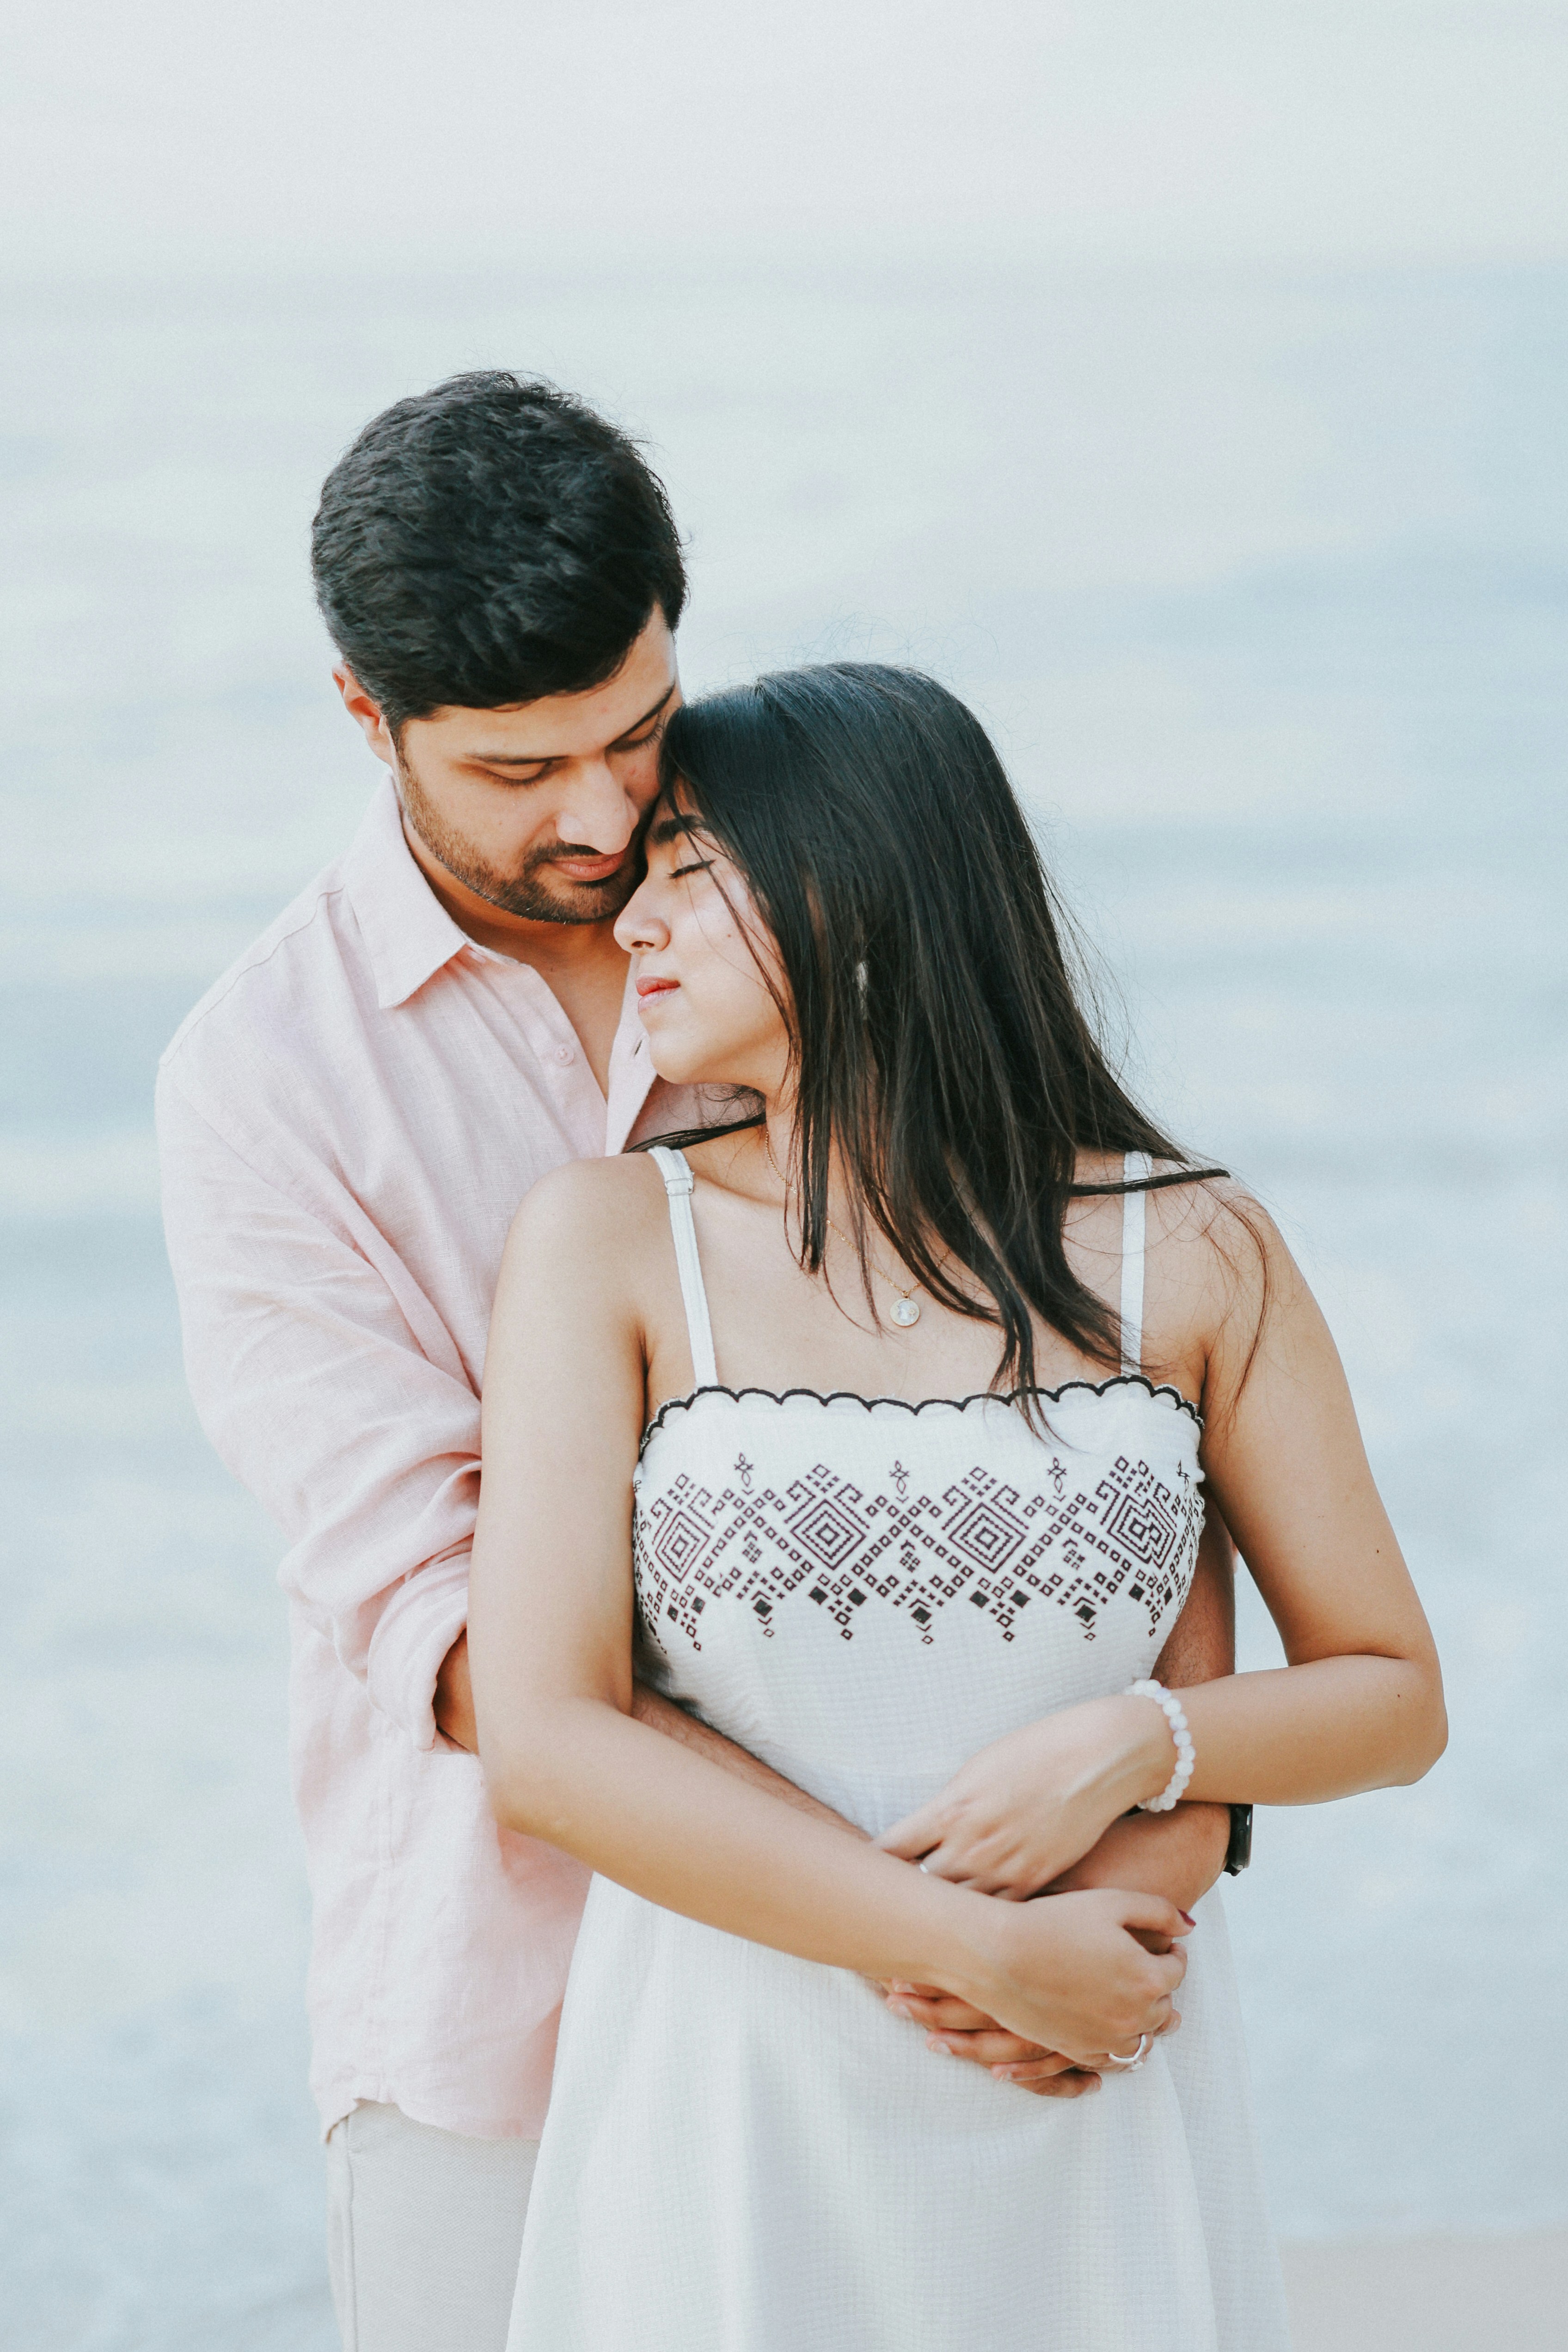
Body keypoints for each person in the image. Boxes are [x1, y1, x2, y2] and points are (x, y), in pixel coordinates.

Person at [157, 375, 1238, 2352]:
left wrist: (1130, 1856)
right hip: (518, 2017)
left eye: (635, 736)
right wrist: (932, 1925)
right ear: (361, 715)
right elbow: (460, 1646)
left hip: (975, 2015)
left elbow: (1096, 1467)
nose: (594, 818)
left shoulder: (830, 955)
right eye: (514, 770)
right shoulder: (264, 1086)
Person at [468, 663, 1448, 2351]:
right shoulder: (607, 1242)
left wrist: (1145, 1747)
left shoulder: (1195, 1252)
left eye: (692, 865)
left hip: (1086, 2076)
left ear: (858, 885)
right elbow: (547, 1738)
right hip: (735, 2092)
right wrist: (964, 1948)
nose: (636, 921)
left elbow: (1390, 1694)